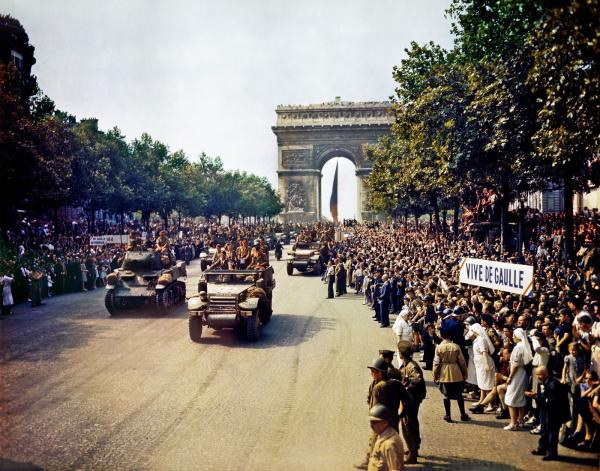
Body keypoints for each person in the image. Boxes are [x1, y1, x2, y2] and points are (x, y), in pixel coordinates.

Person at [528, 366, 570, 461]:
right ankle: (542, 448)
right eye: (536, 374)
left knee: (552, 433)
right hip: (545, 410)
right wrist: (537, 396)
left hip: (554, 413)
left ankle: (552, 453)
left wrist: (535, 397)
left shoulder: (553, 384)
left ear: (546, 374)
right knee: (544, 429)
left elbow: (551, 403)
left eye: (540, 374)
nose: (537, 377)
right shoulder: (543, 383)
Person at [397, 340, 425, 464]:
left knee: (408, 425)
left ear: (401, 353)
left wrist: (407, 385)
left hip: (411, 399)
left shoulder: (411, 366)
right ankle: (413, 447)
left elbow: (417, 380)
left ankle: (413, 453)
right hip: (411, 399)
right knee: (411, 422)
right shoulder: (406, 364)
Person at [433, 328, 470, 422]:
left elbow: (436, 363)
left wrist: (435, 375)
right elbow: (462, 362)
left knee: (446, 395)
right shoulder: (456, 347)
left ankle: (448, 415)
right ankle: (463, 414)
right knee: (459, 394)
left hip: (444, 372)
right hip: (456, 371)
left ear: (441, 336)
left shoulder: (439, 348)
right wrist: (465, 373)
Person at [504, 327, 533, 430]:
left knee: (511, 398)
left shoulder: (518, 347)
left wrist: (510, 377)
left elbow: (515, 364)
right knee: (521, 397)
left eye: (514, 335)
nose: (512, 337)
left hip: (517, 374)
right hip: (523, 373)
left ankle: (513, 423)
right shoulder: (524, 346)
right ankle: (520, 420)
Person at [367, 404, 405, 471]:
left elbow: (395, 469)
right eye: (371, 421)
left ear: (385, 423)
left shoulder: (389, 445)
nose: (371, 425)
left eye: (375, 422)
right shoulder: (383, 435)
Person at [468, 323, 496, 414]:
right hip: (479, 363)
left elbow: (484, 352)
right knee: (482, 383)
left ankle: (490, 404)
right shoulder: (477, 340)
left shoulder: (481, 340)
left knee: (487, 384)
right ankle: (481, 400)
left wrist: (486, 364)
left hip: (484, 363)